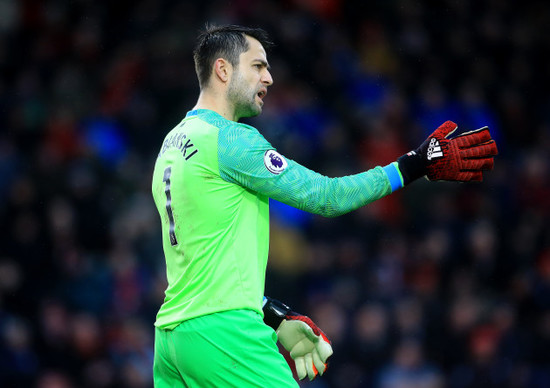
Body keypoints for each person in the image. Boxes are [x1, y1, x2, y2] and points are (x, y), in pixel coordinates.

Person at [150, 24, 497, 388]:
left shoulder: (172, 144)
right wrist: (413, 165)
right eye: (257, 66)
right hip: (224, 335)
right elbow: (327, 197)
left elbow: (199, 257)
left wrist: (270, 312)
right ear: (223, 70)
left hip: (173, 339)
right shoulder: (230, 140)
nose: (268, 77)